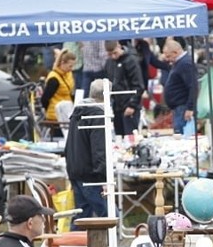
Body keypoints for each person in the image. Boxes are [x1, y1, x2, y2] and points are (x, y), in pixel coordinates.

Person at [65, 80, 108, 219]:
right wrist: (103, 178)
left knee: (81, 216)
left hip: (75, 169)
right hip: (90, 174)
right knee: (109, 215)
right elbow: (99, 149)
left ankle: (74, 240)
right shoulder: (97, 115)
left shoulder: (78, 112)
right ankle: (114, 240)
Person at [149, 40, 198, 134]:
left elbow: (193, 86)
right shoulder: (179, 63)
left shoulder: (185, 64)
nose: (167, 59)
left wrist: (190, 108)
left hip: (183, 107)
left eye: (168, 56)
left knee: (182, 136)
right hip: (178, 107)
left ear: (175, 52)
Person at [104, 41, 144, 136]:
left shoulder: (131, 60)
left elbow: (138, 85)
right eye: (110, 54)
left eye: (115, 53)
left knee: (130, 137)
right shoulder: (109, 63)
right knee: (119, 137)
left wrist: (132, 105)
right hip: (116, 105)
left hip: (129, 104)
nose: (113, 56)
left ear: (119, 47)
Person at [40, 49, 76, 137]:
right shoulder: (53, 79)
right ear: (62, 63)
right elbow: (45, 99)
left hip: (67, 114)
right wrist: (50, 111)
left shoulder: (69, 74)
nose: (71, 69)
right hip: (55, 117)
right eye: (70, 66)